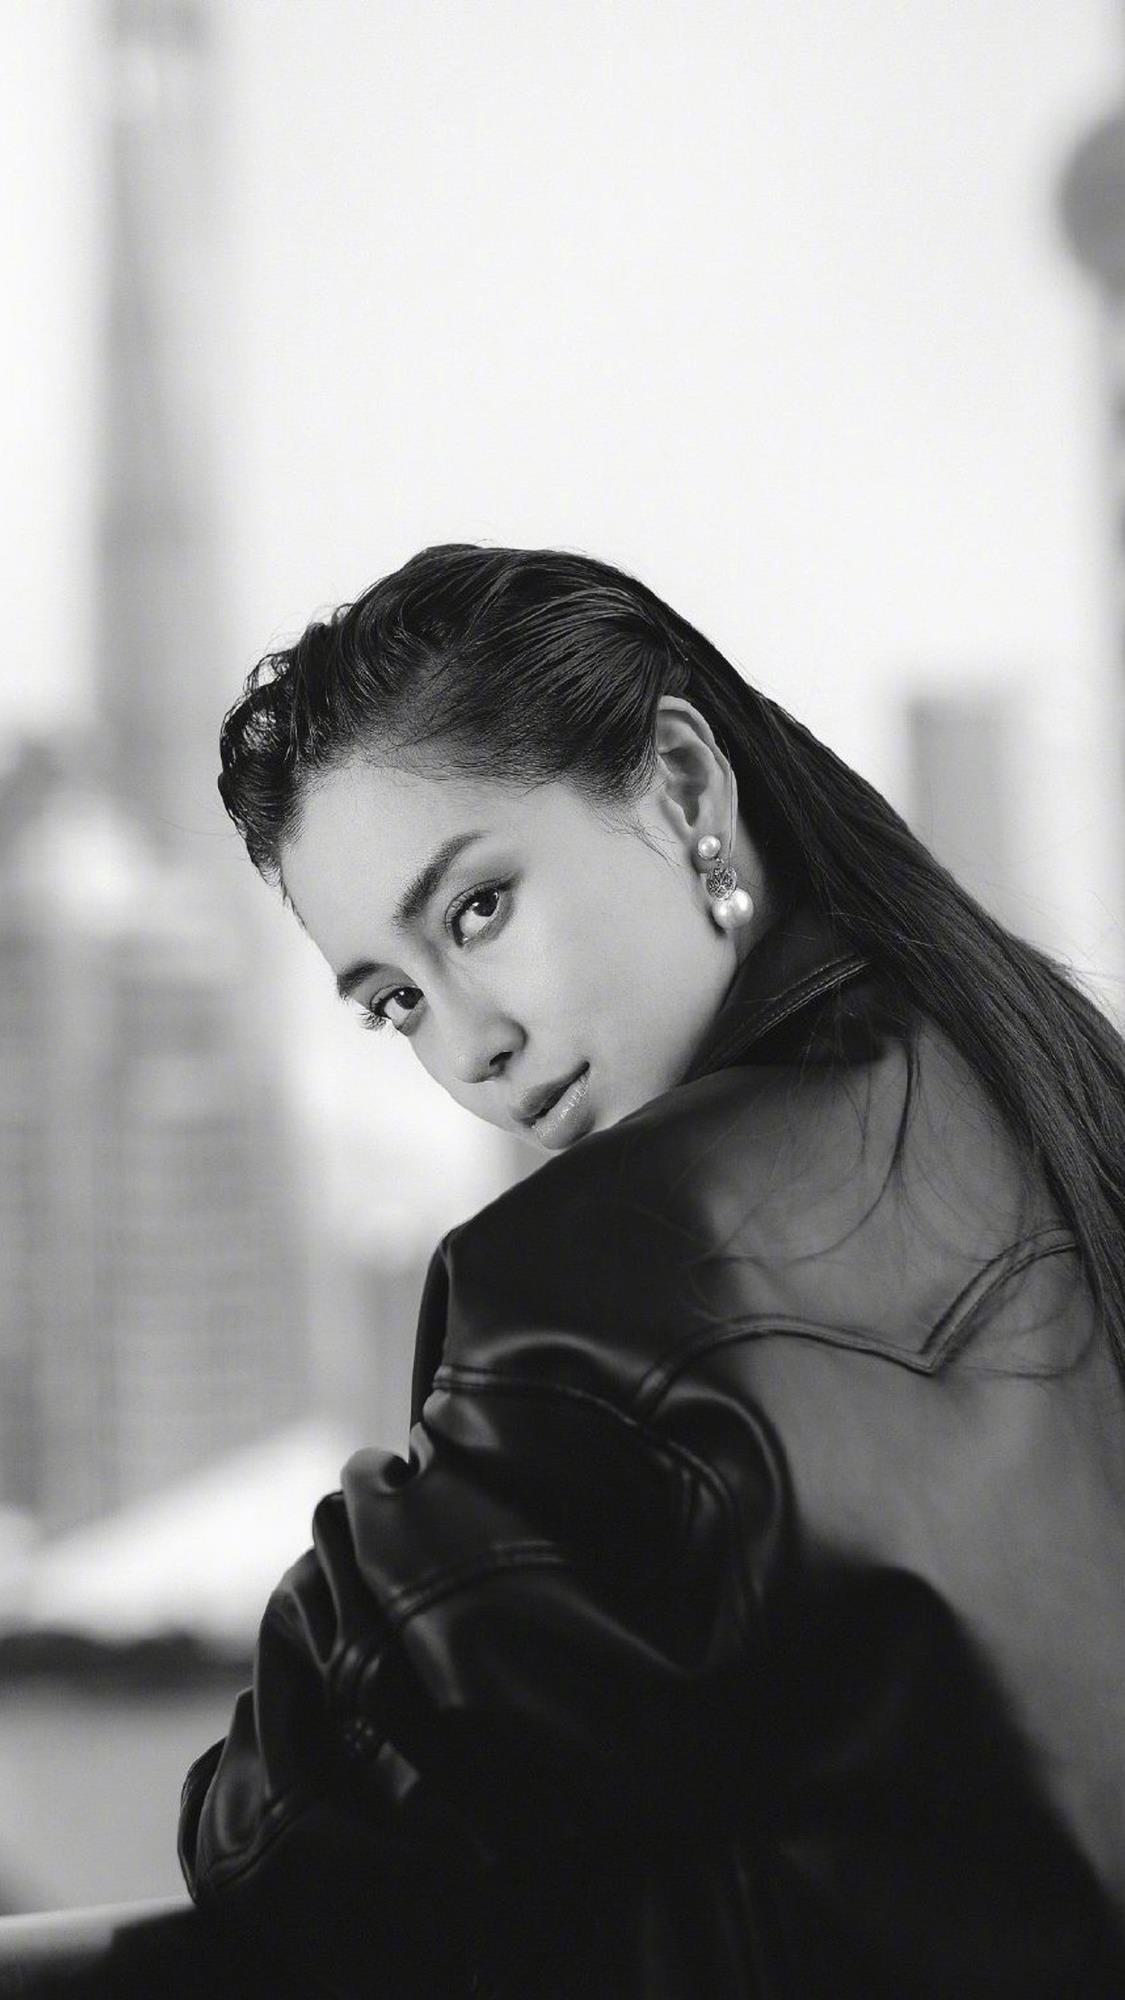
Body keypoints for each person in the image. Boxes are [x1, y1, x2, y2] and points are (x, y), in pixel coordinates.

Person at [177, 543, 1125, 1998]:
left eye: (478, 908)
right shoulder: (1039, 1075)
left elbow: (282, 1842)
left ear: (683, 786)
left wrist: (391, 1499)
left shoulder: (600, 1276)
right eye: (397, 1000)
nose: (471, 1046)